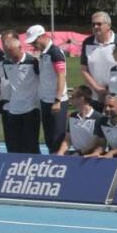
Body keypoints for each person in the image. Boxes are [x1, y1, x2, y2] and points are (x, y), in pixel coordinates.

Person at [26, 25, 68, 154]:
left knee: (57, 139)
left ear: (43, 36)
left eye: (34, 41)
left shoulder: (55, 52)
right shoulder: (43, 54)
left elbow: (61, 76)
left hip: (56, 102)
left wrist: (57, 100)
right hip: (45, 100)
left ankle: (61, 166)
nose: (33, 45)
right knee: (49, 138)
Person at [0, 36, 41, 153]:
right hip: (14, 109)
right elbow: (8, 82)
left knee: (31, 144)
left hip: (31, 108)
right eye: (7, 52)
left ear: (20, 48)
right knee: (14, 144)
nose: (9, 54)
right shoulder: (5, 63)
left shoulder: (33, 62)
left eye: (11, 51)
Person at [80, 11, 117, 104]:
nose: (95, 27)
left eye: (99, 24)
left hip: (116, 97)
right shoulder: (87, 42)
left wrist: (109, 89)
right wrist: (97, 89)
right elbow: (84, 69)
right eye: (93, 24)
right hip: (94, 96)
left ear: (108, 25)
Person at [57, 85, 101, 156]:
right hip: (77, 154)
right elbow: (68, 139)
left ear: (81, 99)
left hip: (91, 156)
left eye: (72, 97)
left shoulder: (97, 117)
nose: (70, 99)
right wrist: (60, 152)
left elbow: (96, 142)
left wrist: (79, 153)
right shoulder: (72, 116)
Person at [0, 29, 19, 152]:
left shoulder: (29, 61)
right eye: (3, 42)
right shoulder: (0, 62)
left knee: (27, 143)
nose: (5, 45)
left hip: (24, 108)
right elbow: (3, 79)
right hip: (6, 107)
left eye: (8, 41)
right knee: (10, 143)